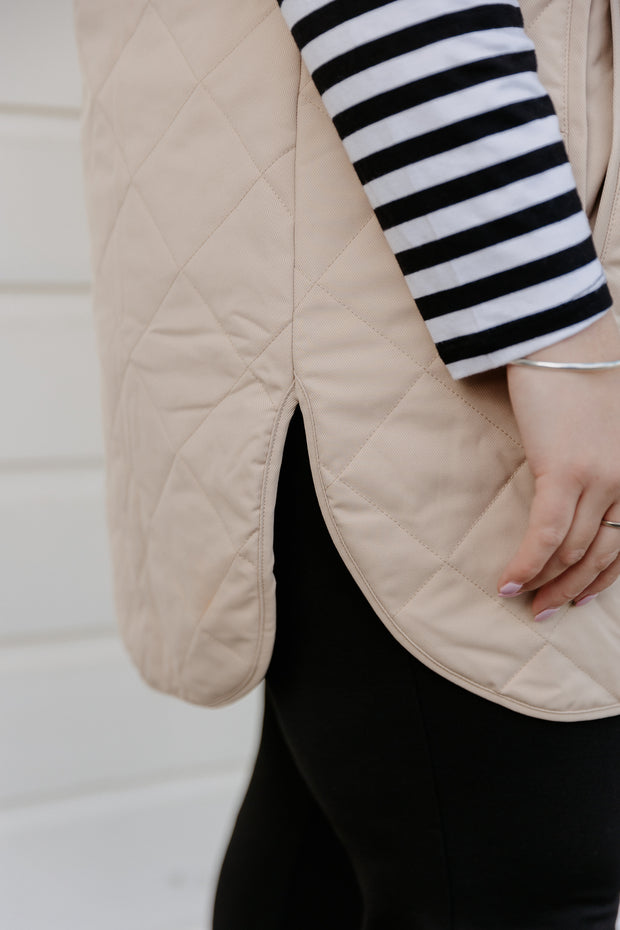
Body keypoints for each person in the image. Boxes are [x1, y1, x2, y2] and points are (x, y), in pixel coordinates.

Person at [72, 0, 620, 926]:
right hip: (408, 316)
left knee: (336, 844)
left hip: (380, 291)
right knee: (517, 866)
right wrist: (557, 333)